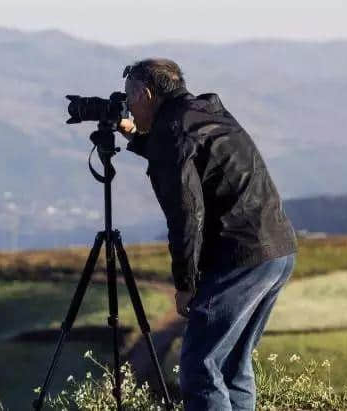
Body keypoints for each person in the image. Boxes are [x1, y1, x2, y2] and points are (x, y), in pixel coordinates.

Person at [118, 58, 298, 411]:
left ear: (146, 93)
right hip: (276, 249)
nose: (128, 108)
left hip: (239, 256)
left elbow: (186, 215)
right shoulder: (205, 111)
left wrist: (185, 282)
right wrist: (139, 137)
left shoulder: (172, 132)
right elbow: (190, 153)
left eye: (129, 99)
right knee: (231, 364)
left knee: (200, 367)